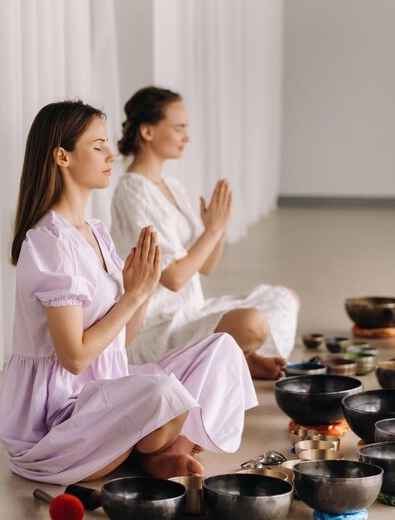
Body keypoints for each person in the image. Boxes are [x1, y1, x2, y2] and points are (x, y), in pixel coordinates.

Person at [0, 100, 258, 486]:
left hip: (108, 394)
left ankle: (154, 448)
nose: (111, 154)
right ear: (62, 157)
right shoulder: (49, 241)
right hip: (59, 423)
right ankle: (156, 447)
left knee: (221, 349)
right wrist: (132, 298)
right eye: (98, 145)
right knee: (162, 392)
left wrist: (145, 288)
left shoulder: (96, 233)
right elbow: (75, 357)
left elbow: (120, 341)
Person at [111, 86, 300, 380]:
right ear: (147, 132)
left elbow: (207, 266)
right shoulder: (132, 191)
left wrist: (220, 225)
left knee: (286, 297)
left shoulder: (172, 186)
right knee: (254, 324)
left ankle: (240, 358)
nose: (186, 137)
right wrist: (211, 230)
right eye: (178, 128)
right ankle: (236, 357)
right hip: (158, 328)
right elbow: (173, 277)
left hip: (192, 312)